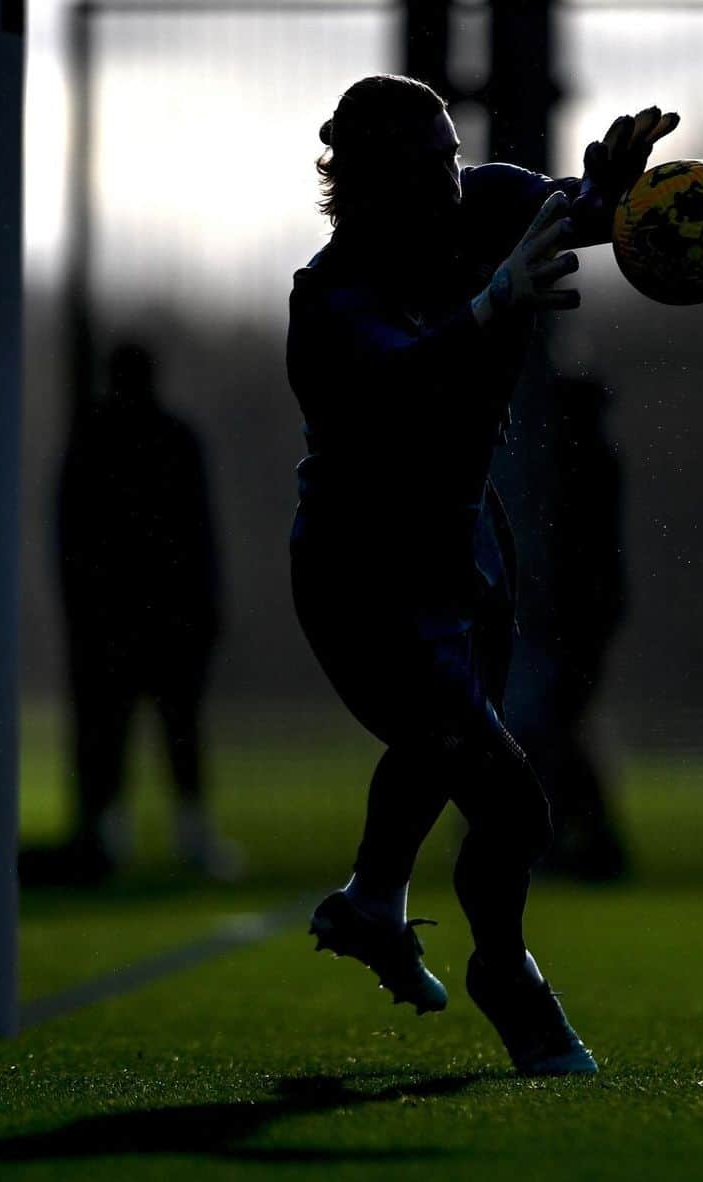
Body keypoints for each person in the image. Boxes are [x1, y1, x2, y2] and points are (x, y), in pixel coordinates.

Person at [287, 74, 677, 1075]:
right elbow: (402, 381)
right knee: (507, 797)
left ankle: (376, 899)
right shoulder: (326, 297)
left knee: (444, 742)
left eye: (451, 157)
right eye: (423, 169)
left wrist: (617, 191)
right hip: (361, 572)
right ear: (364, 188)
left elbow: (573, 216)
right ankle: (508, 978)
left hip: (462, 550)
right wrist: (495, 300)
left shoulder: (486, 203)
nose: (449, 184)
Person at [20, 343, 236, 886]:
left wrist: (80, 609)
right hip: (163, 617)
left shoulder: (92, 440)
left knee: (119, 732)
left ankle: (114, 838)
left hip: (115, 619)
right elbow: (200, 533)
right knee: (170, 732)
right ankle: (181, 836)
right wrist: (206, 605)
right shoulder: (171, 439)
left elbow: (68, 536)